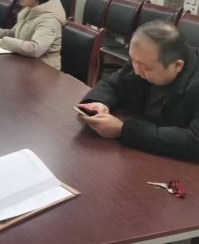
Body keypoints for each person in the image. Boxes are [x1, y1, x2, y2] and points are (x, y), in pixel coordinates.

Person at [78, 21, 199, 160]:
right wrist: (99, 103)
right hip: (141, 152)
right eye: (133, 61)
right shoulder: (142, 59)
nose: (136, 70)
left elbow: (194, 141)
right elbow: (112, 84)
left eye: (146, 68)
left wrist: (123, 129)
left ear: (177, 66)